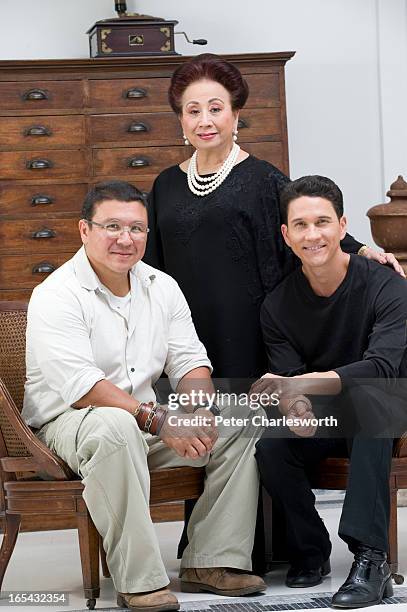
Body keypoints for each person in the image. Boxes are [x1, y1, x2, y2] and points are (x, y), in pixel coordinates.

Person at [22, 180, 266, 612]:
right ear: (84, 230)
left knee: (240, 416)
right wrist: (159, 420)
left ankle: (211, 560)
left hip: (142, 419)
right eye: (112, 226)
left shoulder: (161, 286)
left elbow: (190, 360)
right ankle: (141, 580)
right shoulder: (56, 295)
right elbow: (82, 387)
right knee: (115, 428)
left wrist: (197, 407)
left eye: (136, 229)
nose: (125, 239)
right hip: (71, 424)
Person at [144, 53, 404, 380]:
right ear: (181, 119)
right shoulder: (165, 184)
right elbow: (151, 264)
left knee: (246, 421)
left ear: (235, 115)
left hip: (249, 334)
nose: (204, 120)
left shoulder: (263, 179)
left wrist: (365, 251)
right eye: (193, 111)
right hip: (183, 331)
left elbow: (310, 223)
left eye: (215, 108)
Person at [253, 175, 407, 608]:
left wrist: (303, 384)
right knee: (272, 444)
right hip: (330, 413)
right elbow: (289, 380)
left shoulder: (387, 284)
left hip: (387, 406)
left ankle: (372, 561)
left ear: (342, 225)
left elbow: (381, 368)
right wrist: (297, 404)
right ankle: (309, 550)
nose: (312, 234)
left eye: (322, 222)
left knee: (370, 401)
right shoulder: (277, 305)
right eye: (300, 225)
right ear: (286, 235)